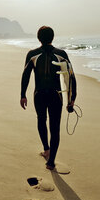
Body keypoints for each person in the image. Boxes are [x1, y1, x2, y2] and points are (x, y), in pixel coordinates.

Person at [20, 26, 77, 172]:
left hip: (39, 94)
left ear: (39, 38)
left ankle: (46, 149)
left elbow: (25, 75)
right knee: (55, 127)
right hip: (56, 95)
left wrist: (23, 95)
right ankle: (51, 162)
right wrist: (72, 99)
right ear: (52, 37)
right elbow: (70, 77)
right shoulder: (61, 54)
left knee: (41, 120)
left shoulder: (32, 54)